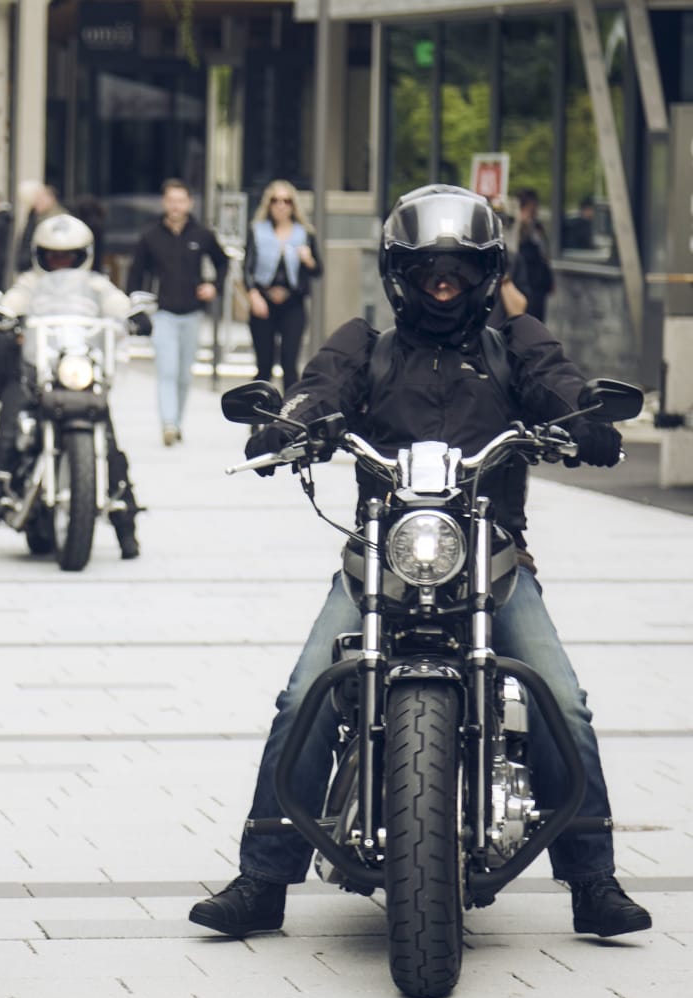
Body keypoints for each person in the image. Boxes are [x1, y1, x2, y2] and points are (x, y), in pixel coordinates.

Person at [189, 184, 651, 941]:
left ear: (484, 275)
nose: (446, 285)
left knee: (561, 701)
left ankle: (594, 881)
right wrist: (290, 426)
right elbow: (318, 389)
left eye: (460, 271)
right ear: (398, 274)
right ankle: (263, 877)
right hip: (381, 556)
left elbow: (559, 386)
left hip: (492, 559)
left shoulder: (516, 345)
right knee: (305, 691)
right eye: (430, 271)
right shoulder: (363, 347)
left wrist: (583, 421)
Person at [0, 214, 144, 561]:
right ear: (40, 255)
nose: (60, 262)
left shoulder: (95, 285)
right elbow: (9, 303)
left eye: (68, 255)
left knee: (108, 442)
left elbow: (120, 306)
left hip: (77, 372)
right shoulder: (29, 283)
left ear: (83, 255)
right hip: (34, 375)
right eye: (53, 255)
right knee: (5, 440)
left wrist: (135, 314)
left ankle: (127, 528)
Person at [126, 178, 228, 446]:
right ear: (164, 202)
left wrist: (213, 286)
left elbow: (222, 262)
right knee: (167, 370)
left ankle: (177, 421)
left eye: (181, 200)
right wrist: (137, 309)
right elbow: (136, 275)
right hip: (164, 314)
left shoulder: (201, 234)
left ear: (189, 203)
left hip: (192, 314)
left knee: (184, 374)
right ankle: (168, 423)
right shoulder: (150, 236)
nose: (175, 206)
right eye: (171, 200)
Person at [241, 180, 321, 387]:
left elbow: (317, 270)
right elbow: (247, 268)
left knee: (289, 361)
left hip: (292, 303)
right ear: (268, 204)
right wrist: (253, 296)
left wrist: (308, 259)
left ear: (293, 205)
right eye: (275, 201)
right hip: (263, 304)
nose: (281, 206)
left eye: (286, 201)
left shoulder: (304, 233)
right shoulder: (258, 231)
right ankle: (258, 415)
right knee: (264, 364)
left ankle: (288, 415)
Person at [512, 187, 554, 322]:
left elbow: (544, 253)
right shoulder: (516, 227)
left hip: (539, 283)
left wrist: (549, 279)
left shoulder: (537, 227)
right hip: (524, 282)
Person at [15, 182, 66, 273]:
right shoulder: (37, 216)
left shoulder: (57, 219)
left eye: (40, 199)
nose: (36, 203)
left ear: (50, 199)